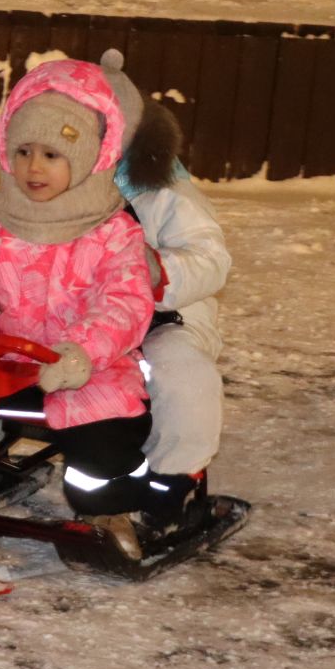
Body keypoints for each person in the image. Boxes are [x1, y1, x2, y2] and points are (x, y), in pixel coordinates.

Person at [0, 59, 165, 551]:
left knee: (103, 422)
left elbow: (124, 303)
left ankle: (108, 511)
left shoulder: (113, 233)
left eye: (51, 154)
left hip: (83, 363)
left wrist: (80, 354)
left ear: (88, 158)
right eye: (22, 151)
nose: (33, 167)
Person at [97, 49, 233, 515]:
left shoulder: (163, 192)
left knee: (181, 376)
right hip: (74, 314)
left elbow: (210, 259)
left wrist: (156, 272)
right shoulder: (51, 179)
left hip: (162, 314)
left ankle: (170, 479)